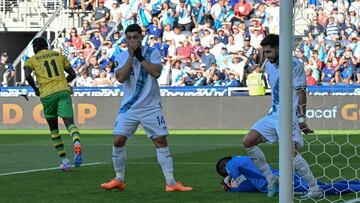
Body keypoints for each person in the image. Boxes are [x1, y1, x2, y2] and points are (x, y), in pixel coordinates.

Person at [100, 24, 193, 192]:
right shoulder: (121, 56)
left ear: (141, 37)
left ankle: (171, 183)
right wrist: (131, 57)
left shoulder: (153, 52)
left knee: (160, 140)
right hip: (129, 107)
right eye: (128, 38)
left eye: (135, 37)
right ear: (125, 39)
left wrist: (140, 57)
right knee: (118, 140)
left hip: (151, 106)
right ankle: (119, 179)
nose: (132, 41)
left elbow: (156, 72)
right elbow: (120, 78)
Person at [241, 34, 322, 198]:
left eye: (269, 52)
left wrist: (301, 119)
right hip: (274, 114)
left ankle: (315, 189)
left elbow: (301, 92)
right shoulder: (269, 65)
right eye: (265, 52)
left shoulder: (294, 64)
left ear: (279, 48)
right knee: (248, 141)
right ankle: (272, 179)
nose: (267, 56)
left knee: (289, 153)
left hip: (289, 115)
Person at [24, 37, 82, 171]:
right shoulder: (58, 55)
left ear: (35, 48)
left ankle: (65, 162)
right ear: (47, 46)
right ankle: (76, 142)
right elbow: (72, 74)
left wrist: (36, 89)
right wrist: (62, 83)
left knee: (53, 128)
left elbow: (27, 75)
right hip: (63, 91)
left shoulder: (32, 60)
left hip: (47, 94)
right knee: (70, 123)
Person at [216, 156, 360, 195]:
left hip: (282, 182)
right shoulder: (241, 159)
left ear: (224, 167)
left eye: (225, 173)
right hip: (283, 176)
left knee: (321, 190)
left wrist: (231, 188)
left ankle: (357, 187)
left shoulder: (231, 165)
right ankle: (357, 183)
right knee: (320, 185)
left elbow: (245, 187)